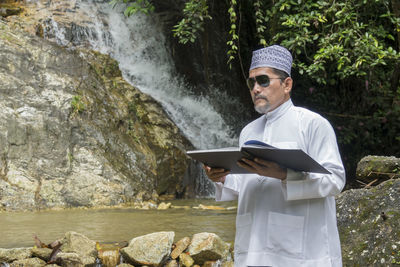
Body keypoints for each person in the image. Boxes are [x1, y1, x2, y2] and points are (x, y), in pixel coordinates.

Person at [203, 45, 346, 267]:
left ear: (287, 84)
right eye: (252, 82)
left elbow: (336, 180)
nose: (256, 88)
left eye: (263, 80)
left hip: (302, 251)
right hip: (252, 246)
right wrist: (222, 178)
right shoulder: (248, 131)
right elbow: (248, 182)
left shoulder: (312, 124)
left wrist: (283, 174)